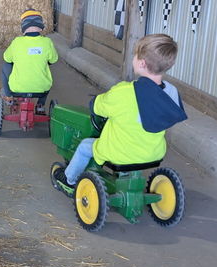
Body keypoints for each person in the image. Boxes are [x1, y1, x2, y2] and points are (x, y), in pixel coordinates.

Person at [54, 33, 187, 195]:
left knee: (84, 146)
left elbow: (97, 107)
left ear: (142, 63)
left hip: (118, 152)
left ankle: (68, 180)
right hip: (153, 152)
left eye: (135, 55)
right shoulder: (172, 93)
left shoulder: (124, 92)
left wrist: (96, 102)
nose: (133, 59)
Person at [1, 10, 58, 104]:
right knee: (45, 68)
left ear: (23, 28)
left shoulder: (17, 42)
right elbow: (53, 60)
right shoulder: (47, 42)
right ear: (41, 27)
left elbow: (6, 58)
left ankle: (8, 96)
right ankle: (40, 104)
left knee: (6, 66)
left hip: (17, 88)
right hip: (41, 89)